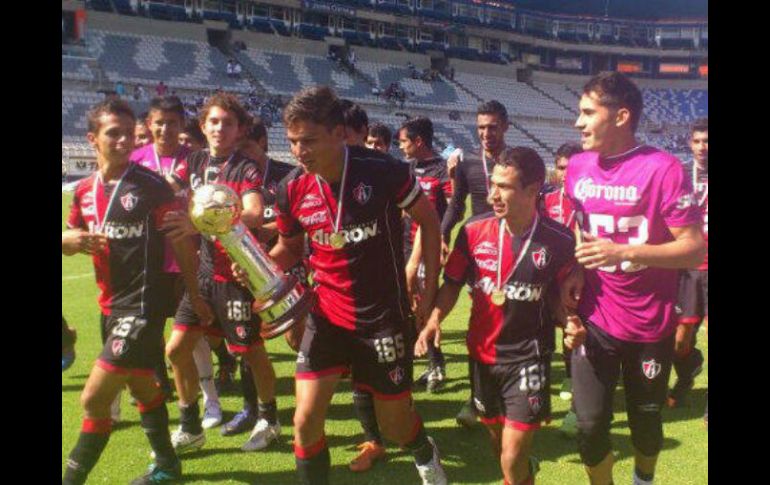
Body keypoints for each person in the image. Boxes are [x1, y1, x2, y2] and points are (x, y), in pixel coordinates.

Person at [273, 86, 447, 485]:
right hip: (326, 316)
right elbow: (289, 246)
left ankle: (423, 450)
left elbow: (430, 222)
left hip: (382, 318)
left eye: (309, 141)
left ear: (338, 133)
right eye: (294, 142)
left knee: (396, 426)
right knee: (305, 420)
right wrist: (254, 266)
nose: (300, 152)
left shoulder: (383, 170)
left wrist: (428, 284)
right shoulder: (291, 188)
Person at [563, 72, 705, 485]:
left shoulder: (663, 169)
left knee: (645, 423)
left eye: (588, 113)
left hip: (648, 325)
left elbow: (695, 248)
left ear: (621, 116)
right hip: (596, 320)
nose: (578, 123)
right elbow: (580, 226)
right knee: (589, 426)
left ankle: (643, 480)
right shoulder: (578, 166)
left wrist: (622, 251)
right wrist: (576, 269)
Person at [62, 98, 213, 484]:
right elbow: (68, 235)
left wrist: (195, 295)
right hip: (109, 305)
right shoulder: (82, 191)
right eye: (114, 133)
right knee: (144, 386)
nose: (125, 140)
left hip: (144, 303)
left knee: (94, 399)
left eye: (129, 133)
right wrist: (71, 239)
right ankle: (166, 463)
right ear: (92, 138)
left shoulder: (150, 187)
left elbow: (180, 242)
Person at [416, 146, 586, 485]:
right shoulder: (473, 231)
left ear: (533, 189)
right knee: (500, 448)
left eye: (504, 186)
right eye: (493, 184)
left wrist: (568, 320)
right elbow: (451, 283)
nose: (493, 194)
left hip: (529, 357)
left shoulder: (558, 239)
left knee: (511, 455)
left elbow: (558, 295)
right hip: (482, 356)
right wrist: (434, 318)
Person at [163, 92, 280, 455]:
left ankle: (269, 419)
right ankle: (190, 426)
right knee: (177, 350)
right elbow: (170, 189)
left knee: (250, 351)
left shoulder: (244, 168)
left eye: (228, 123)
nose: (219, 128)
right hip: (202, 274)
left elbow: (254, 213)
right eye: (213, 121)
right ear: (203, 126)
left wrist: (200, 223)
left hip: (235, 273)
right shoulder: (194, 161)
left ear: (240, 130)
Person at [130, 95, 223, 428]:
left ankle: (211, 402)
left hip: (190, 260)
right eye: (159, 122)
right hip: (150, 263)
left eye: (171, 122)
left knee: (193, 337)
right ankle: (170, 404)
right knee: (152, 335)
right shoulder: (136, 160)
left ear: (182, 125)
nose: (165, 129)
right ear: (149, 125)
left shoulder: (197, 159)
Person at [442, 100, 511, 427]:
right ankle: (477, 397)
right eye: (481, 127)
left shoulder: (517, 162)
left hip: (514, 249)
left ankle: (513, 393)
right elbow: (456, 205)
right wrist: (443, 235)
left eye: (492, 127)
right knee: (481, 322)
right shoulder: (469, 163)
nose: (486, 133)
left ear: (505, 127)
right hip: (479, 250)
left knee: (513, 322)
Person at [398, 117, 453, 393]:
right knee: (408, 306)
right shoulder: (406, 169)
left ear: (419, 141)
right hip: (405, 246)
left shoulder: (442, 170)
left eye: (404, 141)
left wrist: (442, 237)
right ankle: (421, 361)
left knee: (425, 305)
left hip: (428, 249)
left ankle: (436, 366)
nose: (401, 147)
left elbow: (452, 210)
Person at [667, 118, 708, 411]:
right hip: (689, 267)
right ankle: (689, 370)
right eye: (697, 141)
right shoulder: (679, 174)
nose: (702, 147)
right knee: (680, 341)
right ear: (690, 143)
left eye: (707, 141)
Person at [540, 142, 583, 416]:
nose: (565, 173)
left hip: (577, 278)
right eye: (561, 167)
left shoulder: (589, 201)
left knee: (574, 330)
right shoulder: (547, 200)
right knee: (544, 330)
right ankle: (541, 382)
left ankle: (572, 376)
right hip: (548, 278)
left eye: (571, 167)